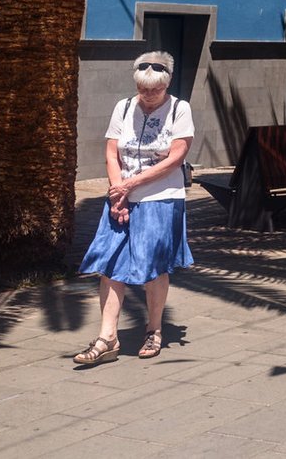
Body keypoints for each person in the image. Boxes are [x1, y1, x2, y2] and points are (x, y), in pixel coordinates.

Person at [73, 51, 195, 365]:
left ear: (167, 84)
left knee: (153, 267)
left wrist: (129, 186)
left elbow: (175, 159)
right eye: (143, 89)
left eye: (155, 90)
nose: (149, 95)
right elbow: (112, 151)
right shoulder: (124, 107)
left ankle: (154, 329)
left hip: (160, 198)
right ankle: (107, 338)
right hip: (121, 197)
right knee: (111, 265)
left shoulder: (180, 109)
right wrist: (118, 193)